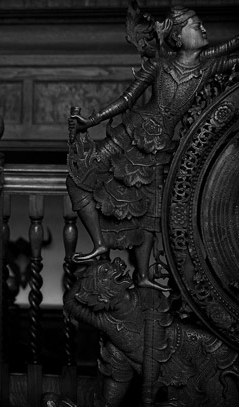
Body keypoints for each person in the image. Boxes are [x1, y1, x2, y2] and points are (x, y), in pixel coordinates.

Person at [67, 6, 239, 290]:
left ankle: (143, 275)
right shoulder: (160, 64)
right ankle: (98, 243)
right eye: (196, 25)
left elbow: (233, 48)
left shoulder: (206, 66)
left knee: (151, 213)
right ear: (178, 36)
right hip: (130, 132)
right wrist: (91, 121)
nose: (204, 29)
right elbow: (126, 100)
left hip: (161, 148)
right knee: (78, 177)